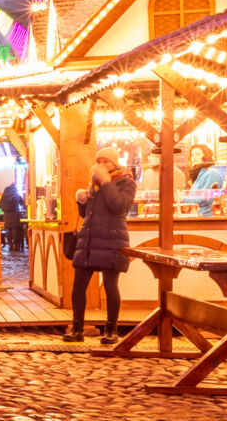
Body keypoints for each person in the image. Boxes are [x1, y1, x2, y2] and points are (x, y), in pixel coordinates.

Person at [65, 147, 135, 345]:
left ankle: (111, 331)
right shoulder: (93, 184)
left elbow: (119, 208)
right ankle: (77, 329)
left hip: (112, 240)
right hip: (89, 239)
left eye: (107, 162)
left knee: (110, 286)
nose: (103, 165)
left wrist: (105, 182)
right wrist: (82, 201)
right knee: (78, 285)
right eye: (100, 161)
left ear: (115, 164)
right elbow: (87, 213)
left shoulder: (126, 182)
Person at [0, 183, 26, 253]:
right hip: (14, 215)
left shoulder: (4, 196)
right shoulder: (16, 195)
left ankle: (10, 245)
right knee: (15, 230)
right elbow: (22, 203)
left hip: (6, 216)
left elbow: (0, 206)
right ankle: (16, 245)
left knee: (8, 230)